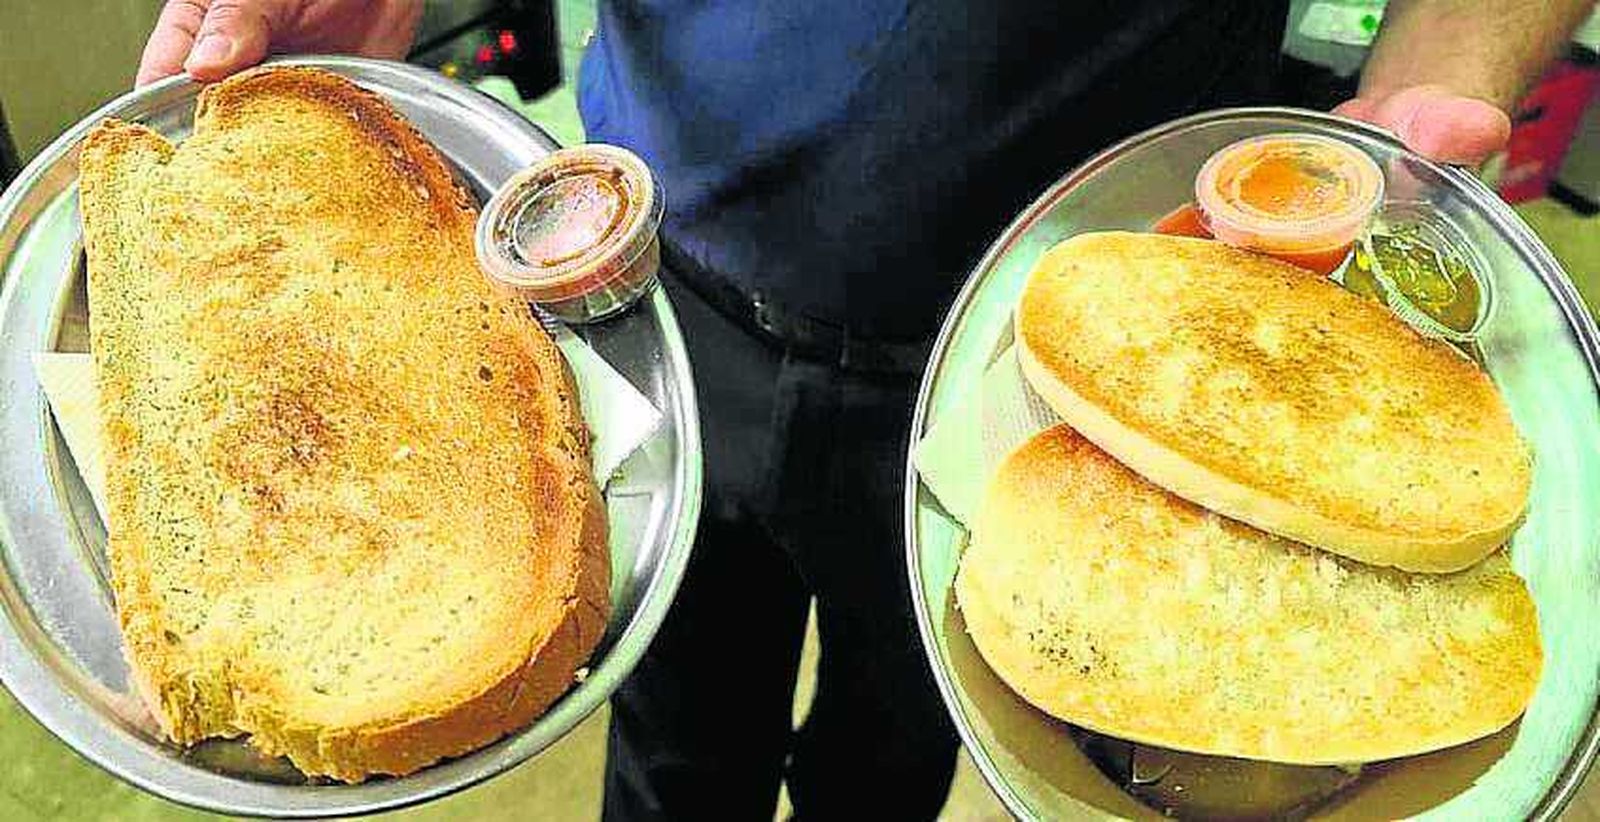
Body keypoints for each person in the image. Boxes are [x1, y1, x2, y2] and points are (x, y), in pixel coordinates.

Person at [137, 1, 1594, 818]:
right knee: (669, 755)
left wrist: (1438, 71)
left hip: (1038, 391)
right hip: (641, 291)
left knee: (888, 767)